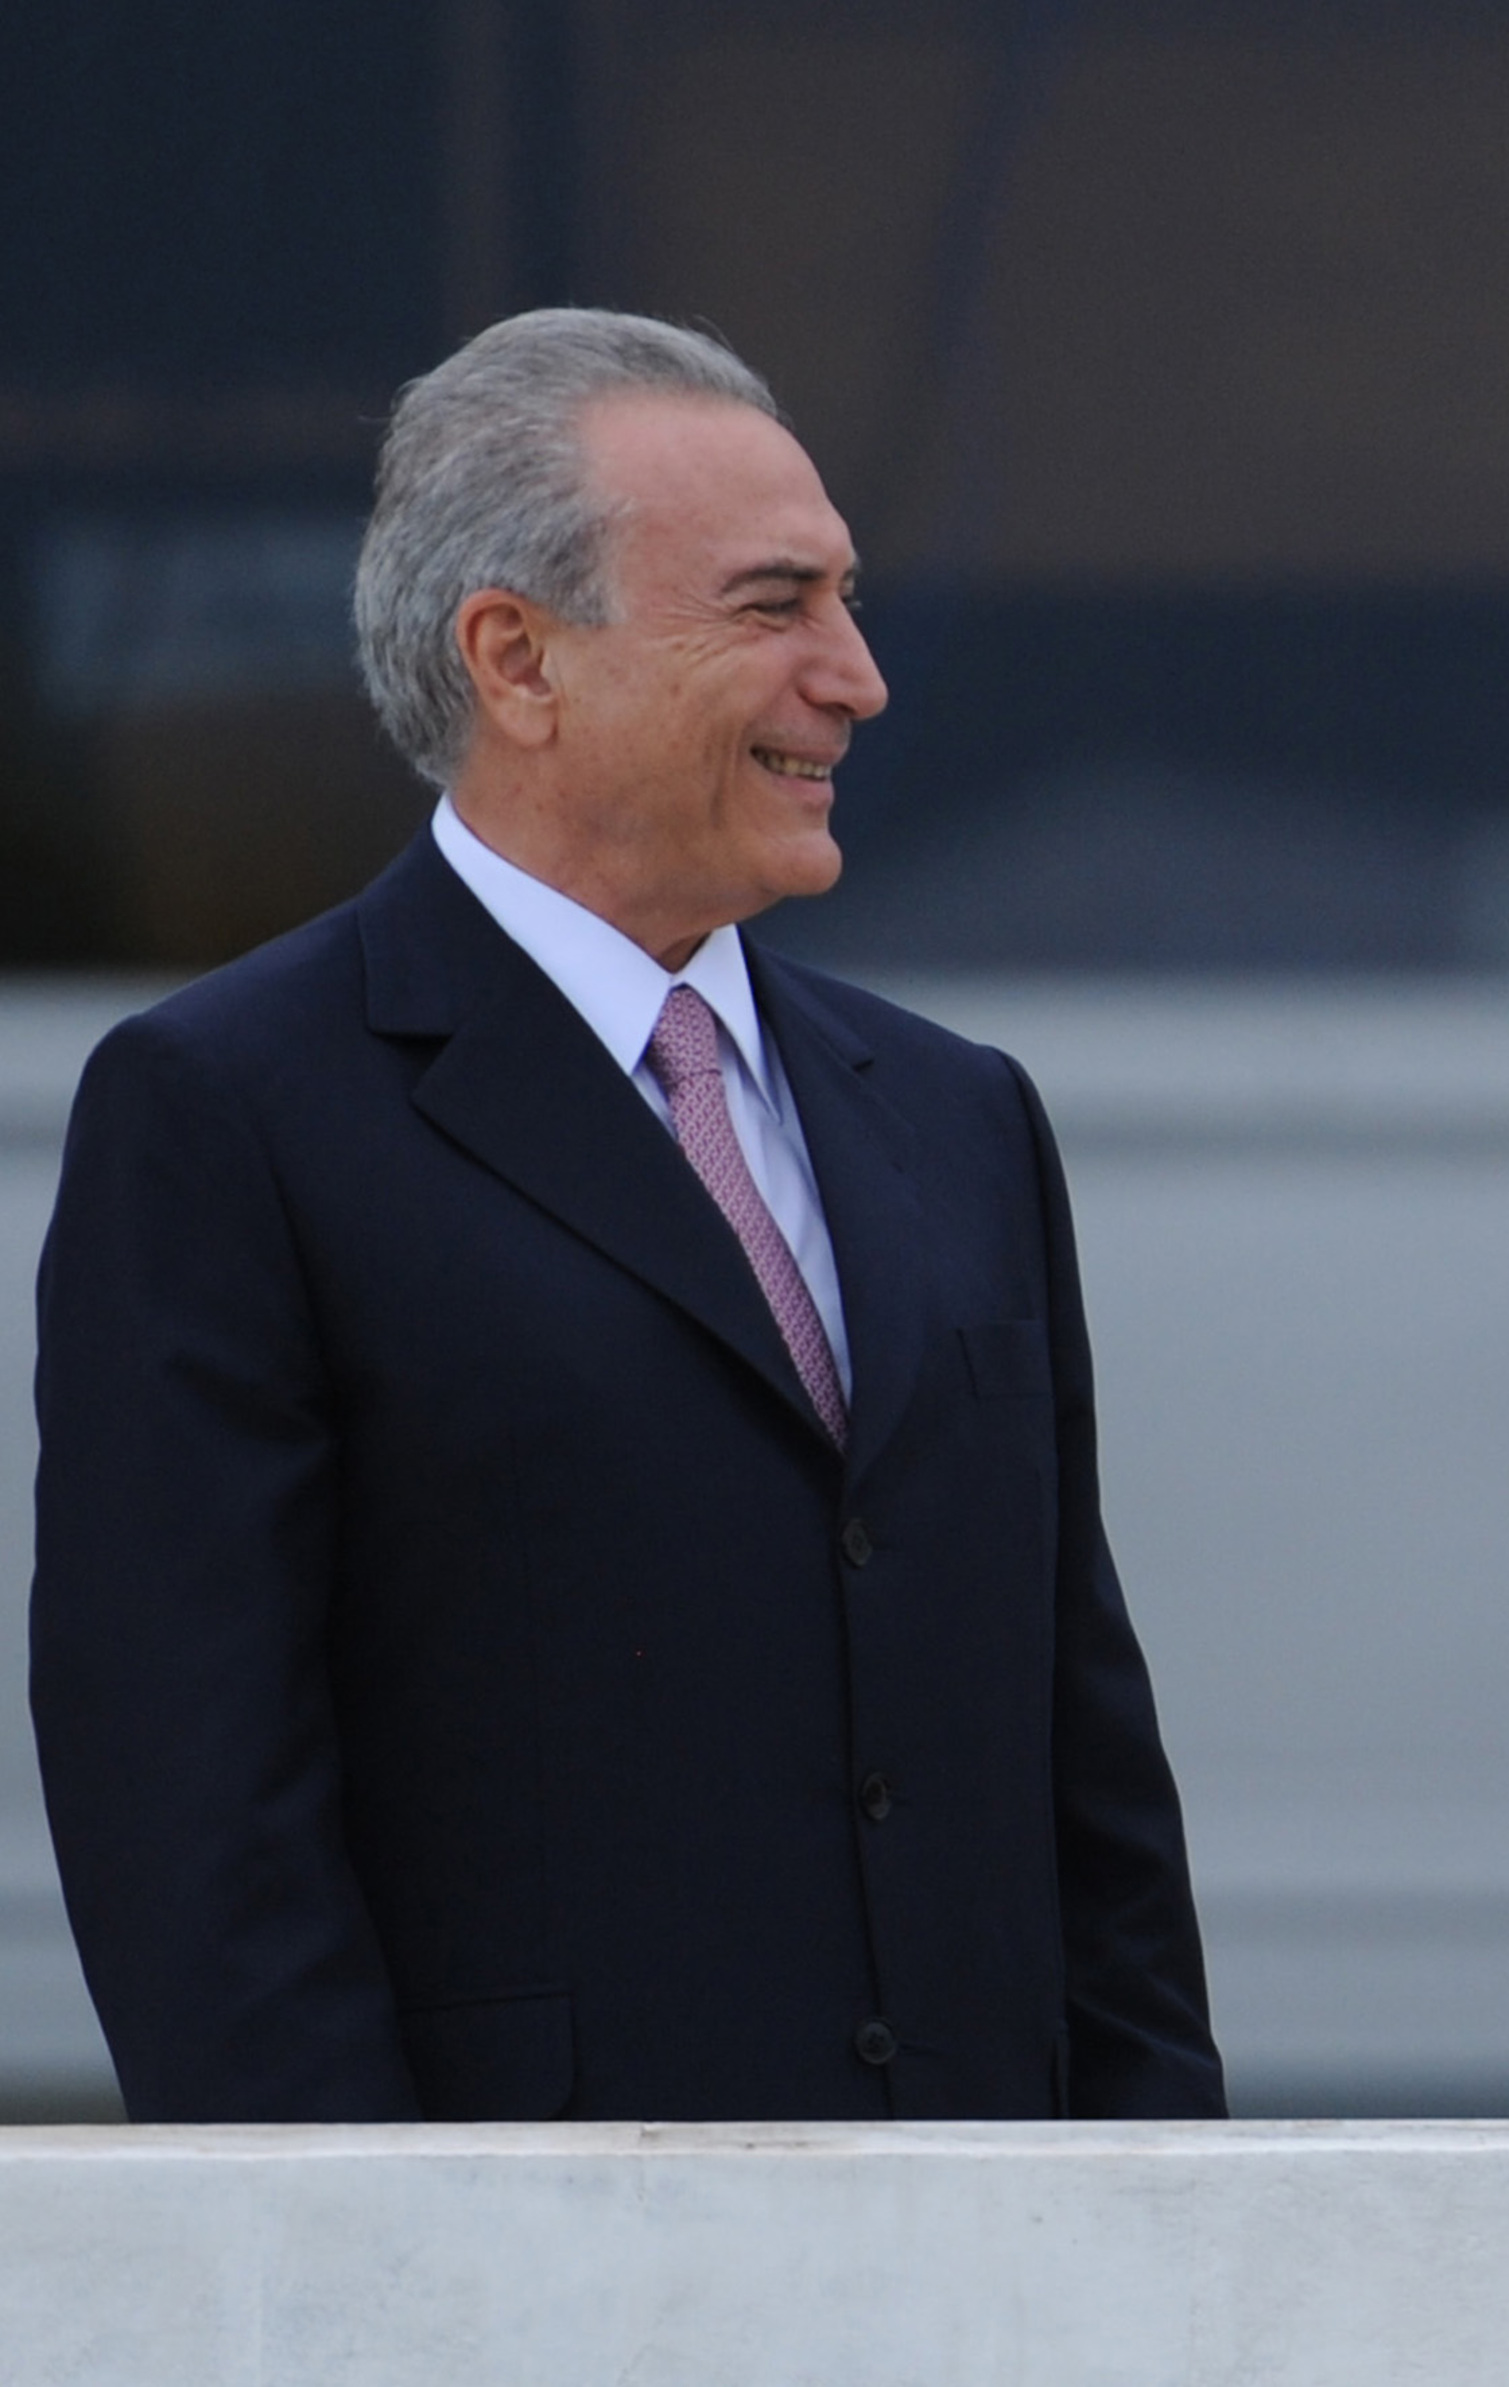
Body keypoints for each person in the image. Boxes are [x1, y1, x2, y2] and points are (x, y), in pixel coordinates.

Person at [27, 309, 1226, 2124]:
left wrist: (1173, 2237)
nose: (859, 675)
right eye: (775, 606)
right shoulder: (229, 1114)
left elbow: (1087, 1778)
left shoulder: (960, 1118)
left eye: (846, 598)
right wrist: (375, 2288)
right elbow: (194, 1822)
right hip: (533, 2281)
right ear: (517, 658)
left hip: (998, 2264)